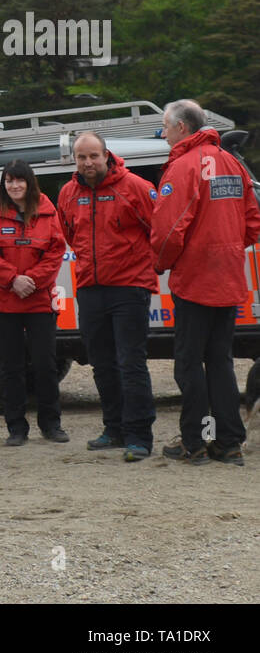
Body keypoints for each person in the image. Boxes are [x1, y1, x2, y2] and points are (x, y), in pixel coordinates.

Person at [151, 99, 260, 466]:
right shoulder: (232, 163)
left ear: (182, 128)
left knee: (187, 364)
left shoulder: (182, 167)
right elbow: (253, 222)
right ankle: (228, 443)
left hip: (195, 281)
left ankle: (193, 441)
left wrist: (160, 264)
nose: (162, 133)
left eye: (165, 127)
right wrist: (227, 248)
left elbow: (168, 231)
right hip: (228, 278)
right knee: (220, 362)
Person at [56, 131, 159, 461]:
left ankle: (139, 436)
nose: (87, 163)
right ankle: (113, 429)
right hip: (89, 288)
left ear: (106, 155)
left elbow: (157, 231)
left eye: (93, 156)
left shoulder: (136, 188)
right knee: (102, 364)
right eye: (81, 158)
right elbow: (69, 234)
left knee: (131, 363)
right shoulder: (69, 193)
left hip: (129, 287)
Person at [0, 160, 68, 446]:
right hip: (5, 302)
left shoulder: (47, 210)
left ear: (29, 182)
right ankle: (16, 427)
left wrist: (32, 280)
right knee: (10, 366)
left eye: (19, 181)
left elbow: (56, 251)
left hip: (39, 300)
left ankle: (51, 424)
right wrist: (12, 279)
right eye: (9, 181)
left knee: (45, 364)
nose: (14, 186)